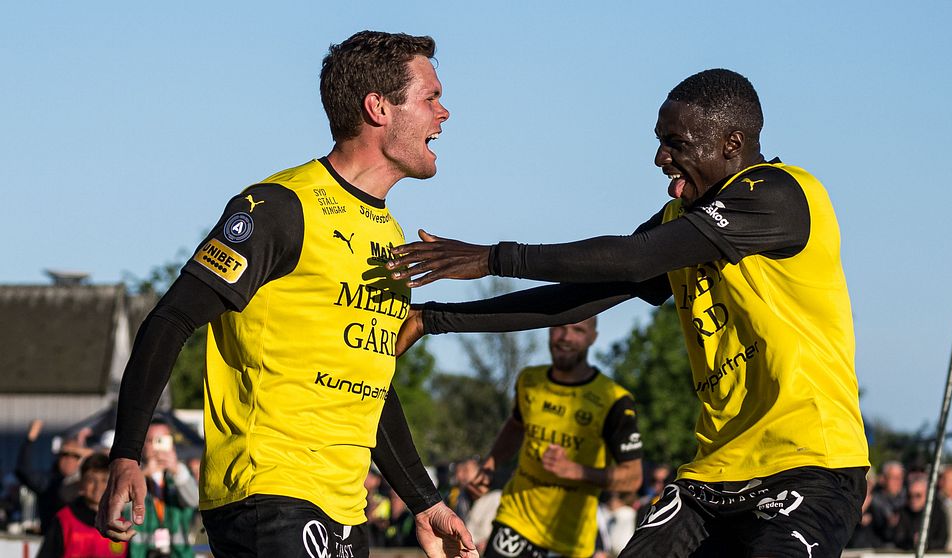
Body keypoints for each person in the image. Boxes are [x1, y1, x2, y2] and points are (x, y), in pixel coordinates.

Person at [388, 68, 870, 557]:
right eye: (660, 142)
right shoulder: (682, 219)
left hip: (811, 467)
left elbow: (635, 256)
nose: (661, 158)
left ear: (732, 143)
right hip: (712, 477)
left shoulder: (780, 193)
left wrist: (495, 258)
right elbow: (577, 296)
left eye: (676, 144)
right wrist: (433, 318)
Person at [96, 30, 476, 558]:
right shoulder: (279, 207)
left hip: (345, 509)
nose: (444, 113)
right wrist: (127, 454)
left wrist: (425, 502)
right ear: (378, 108)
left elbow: (371, 382)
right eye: (431, 97)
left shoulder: (389, 235)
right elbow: (170, 320)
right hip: (270, 492)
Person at [464, 317, 644, 557]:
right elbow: (516, 426)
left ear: (593, 337)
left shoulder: (614, 399)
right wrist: (490, 464)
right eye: (560, 326)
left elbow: (632, 478)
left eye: (578, 330)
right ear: (550, 329)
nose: (566, 337)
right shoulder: (530, 381)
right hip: (516, 520)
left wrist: (577, 471)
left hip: (571, 540)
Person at [128, 419, 197, 557]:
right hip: (140, 553)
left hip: (178, 554)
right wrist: (143, 474)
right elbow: (123, 505)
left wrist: (177, 470)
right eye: (151, 440)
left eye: (162, 440)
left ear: (171, 443)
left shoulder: (181, 474)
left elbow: (194, 501)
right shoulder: (133, 474)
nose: (156, 447)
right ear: (142, 444)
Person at [37, 453, 128, 558]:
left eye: (104, 480)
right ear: (81, 484)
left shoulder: (121, 525)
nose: (98, 487)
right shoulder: (64, 520)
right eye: (91, 480)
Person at [16, 419, 93, 533]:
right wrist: (30, 440)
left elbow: (103, 470)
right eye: (65, 454)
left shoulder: (85, 482)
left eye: (75, 456)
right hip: (54, 538)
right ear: (58, 457)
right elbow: (23, 471)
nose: (69, 460)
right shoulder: (48, 482)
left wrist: (89, 453)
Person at [889, 472, 947, 551]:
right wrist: (912, 541)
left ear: (927, 495)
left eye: (918, 495)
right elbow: (897, 539)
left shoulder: (938, 514)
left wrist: (925, 543)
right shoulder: (903, 512)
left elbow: (942, 540)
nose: (913, 499)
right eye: (910, 496)